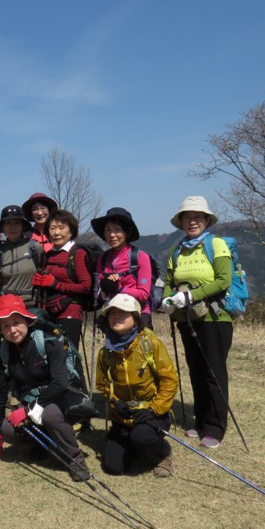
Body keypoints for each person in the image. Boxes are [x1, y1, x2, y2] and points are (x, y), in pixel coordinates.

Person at [0, 294, 91, 481]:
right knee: (7, 428)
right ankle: (44, 442)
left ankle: (76, 459)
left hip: (62, 400)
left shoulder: (48, 343)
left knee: (50, 413)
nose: (12, 330)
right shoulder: (4, 352)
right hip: (33, 404)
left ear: (27, 321)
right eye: (5, 326)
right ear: (0, 330)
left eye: (16, 322)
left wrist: (27, 410)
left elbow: (60, 383)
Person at [162, 196, 233, 449]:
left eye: (197, 217)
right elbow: (169, 280)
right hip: (186, 317)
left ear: (206, 220)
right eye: (187, 217)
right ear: (181, 222)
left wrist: (191, 295)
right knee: (196, 369)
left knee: (213, 371)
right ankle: (201, 420)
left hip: (215, 317)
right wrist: (167, 299)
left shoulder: (217, 245)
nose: (192, 221)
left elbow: (224, 280)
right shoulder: (178, 249)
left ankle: (215, 426)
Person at [94, 294, 177, 477]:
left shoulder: (150, 343)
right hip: (123, 415)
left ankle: (162, 453)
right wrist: (114, 402)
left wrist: (154, 410)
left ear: (136, 317)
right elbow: (102, 384)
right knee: (113, 467)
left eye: (123, 313)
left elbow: (169, 380)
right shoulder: (106, 352)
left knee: (142, 436)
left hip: (151, 412)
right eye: (112, 313)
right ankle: (136, 445)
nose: (116, 317)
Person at [32, 209, 92, 349]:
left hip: (70, 313)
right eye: (52, 228)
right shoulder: (48, 255)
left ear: (71, 231)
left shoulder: (77, 253)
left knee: (69, 355)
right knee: (54, 356)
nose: (57, 233)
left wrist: (55, 284)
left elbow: (85, 287)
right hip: (50, 312)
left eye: (62, 228)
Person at [90, 207, 154, 327]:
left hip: (137, 313)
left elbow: (144, 294)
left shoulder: (140, 257)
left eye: (117, 230)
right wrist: (104, 285)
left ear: (127, 232)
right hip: (113, 315)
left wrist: (119, 288)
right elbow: (98, 294)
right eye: (108, 230)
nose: (112, 235)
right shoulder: (103, 259)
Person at [0, 204, 43, 312]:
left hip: (32, 307)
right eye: (8, 223)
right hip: (8, 309)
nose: (12, 227)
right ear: (3, 227)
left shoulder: (35, 248)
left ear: (23, 226)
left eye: (17, 223)